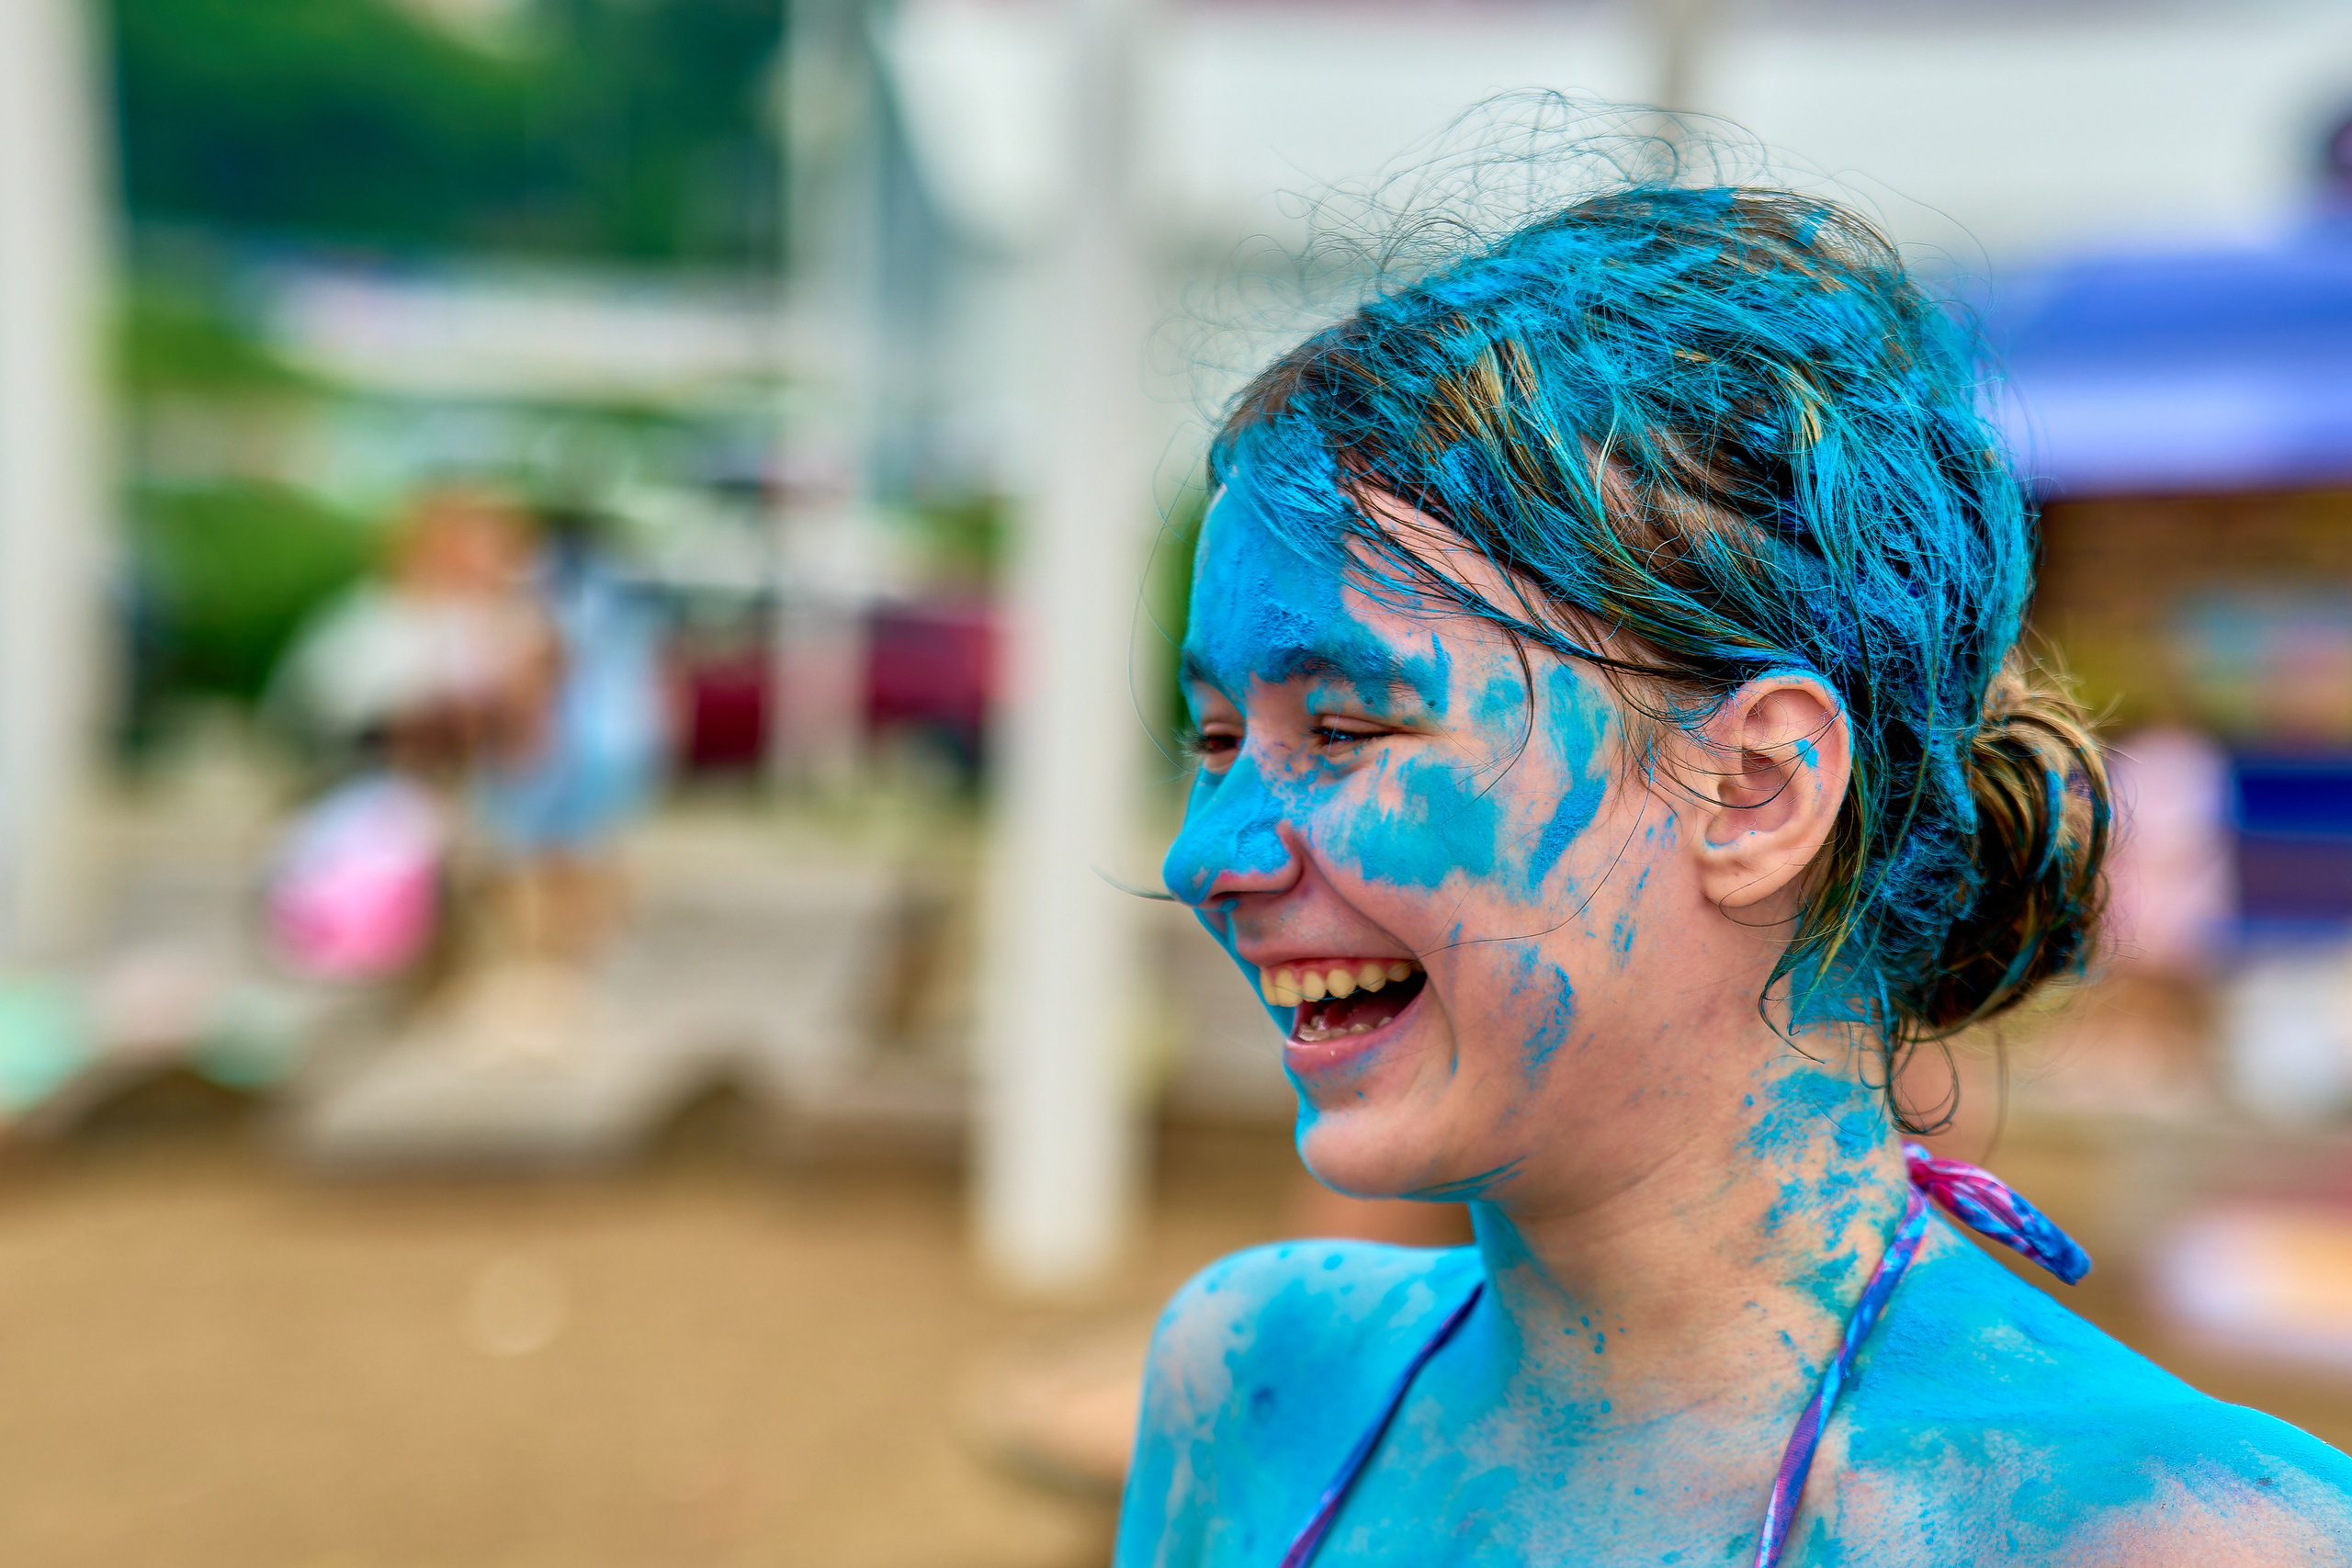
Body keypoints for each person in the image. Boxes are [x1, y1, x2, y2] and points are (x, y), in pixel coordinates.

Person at [1120, 185, 2352, 1565]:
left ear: (1754, 787)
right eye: (1218, 737)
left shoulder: (2170, 1538)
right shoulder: (1250, 1387)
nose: (1203, 854)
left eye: (1341, 731)